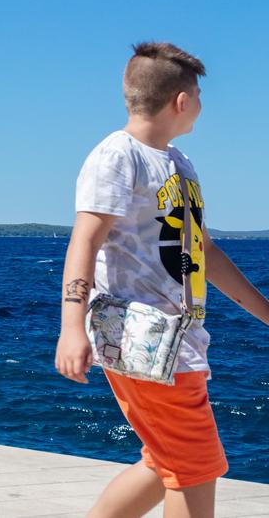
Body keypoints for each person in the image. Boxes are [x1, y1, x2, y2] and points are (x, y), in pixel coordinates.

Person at [55, 43, 269, 518]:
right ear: (181, 101)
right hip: (145, 340)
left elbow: (204, 252)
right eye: (199, 96)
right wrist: (71, 328)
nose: (201, 105)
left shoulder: (179, 163)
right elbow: (85, 241)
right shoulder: (117, 156)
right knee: (195, 468)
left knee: (163, 462)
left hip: (180, 343)